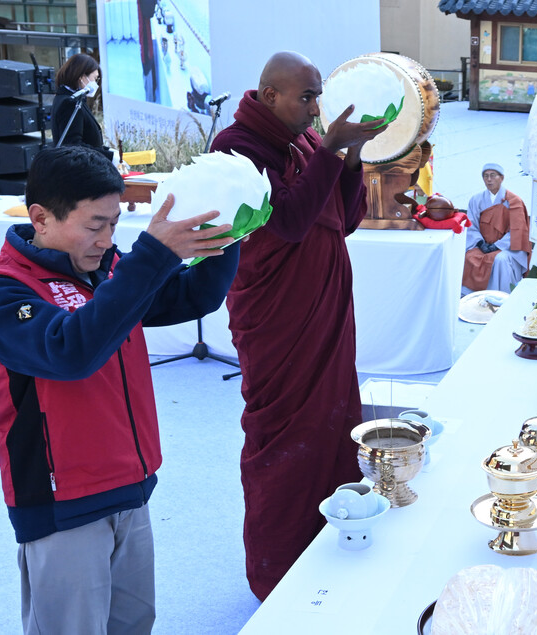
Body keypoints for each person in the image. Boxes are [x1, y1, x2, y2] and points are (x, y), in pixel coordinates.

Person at [0, 145, 239, 633]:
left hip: (129, 486)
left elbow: (193, 294)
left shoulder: (109, 271)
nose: (107, 239)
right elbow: (70, 352)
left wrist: (229, 231)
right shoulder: (1, 289)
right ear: (41, 218)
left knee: (134, 622)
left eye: (114, 224)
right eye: (95, 225)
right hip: (61, 502)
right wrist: (151, 259)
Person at [209, 50, 386, 600]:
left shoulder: (307, 140)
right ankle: (275, 569)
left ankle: (327, 544)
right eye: (307, 96)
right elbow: (286, 222)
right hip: (277, 316)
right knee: (284, 433)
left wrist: (351, 156)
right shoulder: (236, 147)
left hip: (325, 299)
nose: (316, 109)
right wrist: (331, 147)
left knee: (332, 423)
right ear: (269, 96)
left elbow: (346, 218)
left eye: (318, 96)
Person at [461, 163, 530, 294]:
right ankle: (473, 298)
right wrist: (480, 243)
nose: (489, 179)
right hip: (482, 245)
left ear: (502, 178)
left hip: (506, 248)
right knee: (469, 257)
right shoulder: (476, 200)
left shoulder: (514, 201)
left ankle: (501, 297)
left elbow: (517, 231)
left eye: (493, 175)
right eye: (485, 176)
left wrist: (497, 246)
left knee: (500, 260)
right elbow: (471, 225)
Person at [51, 53, 113, 160]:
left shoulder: (71, 98)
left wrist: (107, 151)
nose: (96, 84)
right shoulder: (70, 103)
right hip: (80, 170)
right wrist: (108, 156)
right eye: (95, 79)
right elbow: (73, 146)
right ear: (82, 78)